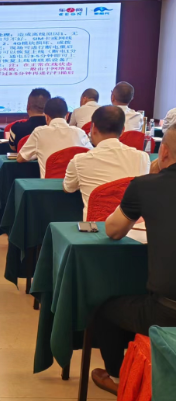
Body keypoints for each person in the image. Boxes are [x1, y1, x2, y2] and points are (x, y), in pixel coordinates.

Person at [91, 124, 176, 396]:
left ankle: (119, 377)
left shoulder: (147, 185)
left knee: (104, 309)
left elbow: (113, 230)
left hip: (167, 312)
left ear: (163, 152)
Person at [63, 106, 150, 221]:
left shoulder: (79, 161)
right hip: (131, 227)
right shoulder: (143, 158)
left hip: (95, 228)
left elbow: (68, 188)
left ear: (93, 128)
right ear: (123, 130)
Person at [17, 97, 92, 178]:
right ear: (67, 115)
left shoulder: (39, 132)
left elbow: (20, 158)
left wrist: (37, 153)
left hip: (49, 185)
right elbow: (92, 155)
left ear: (46, 117)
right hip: (75, 184)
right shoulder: (80, 132)